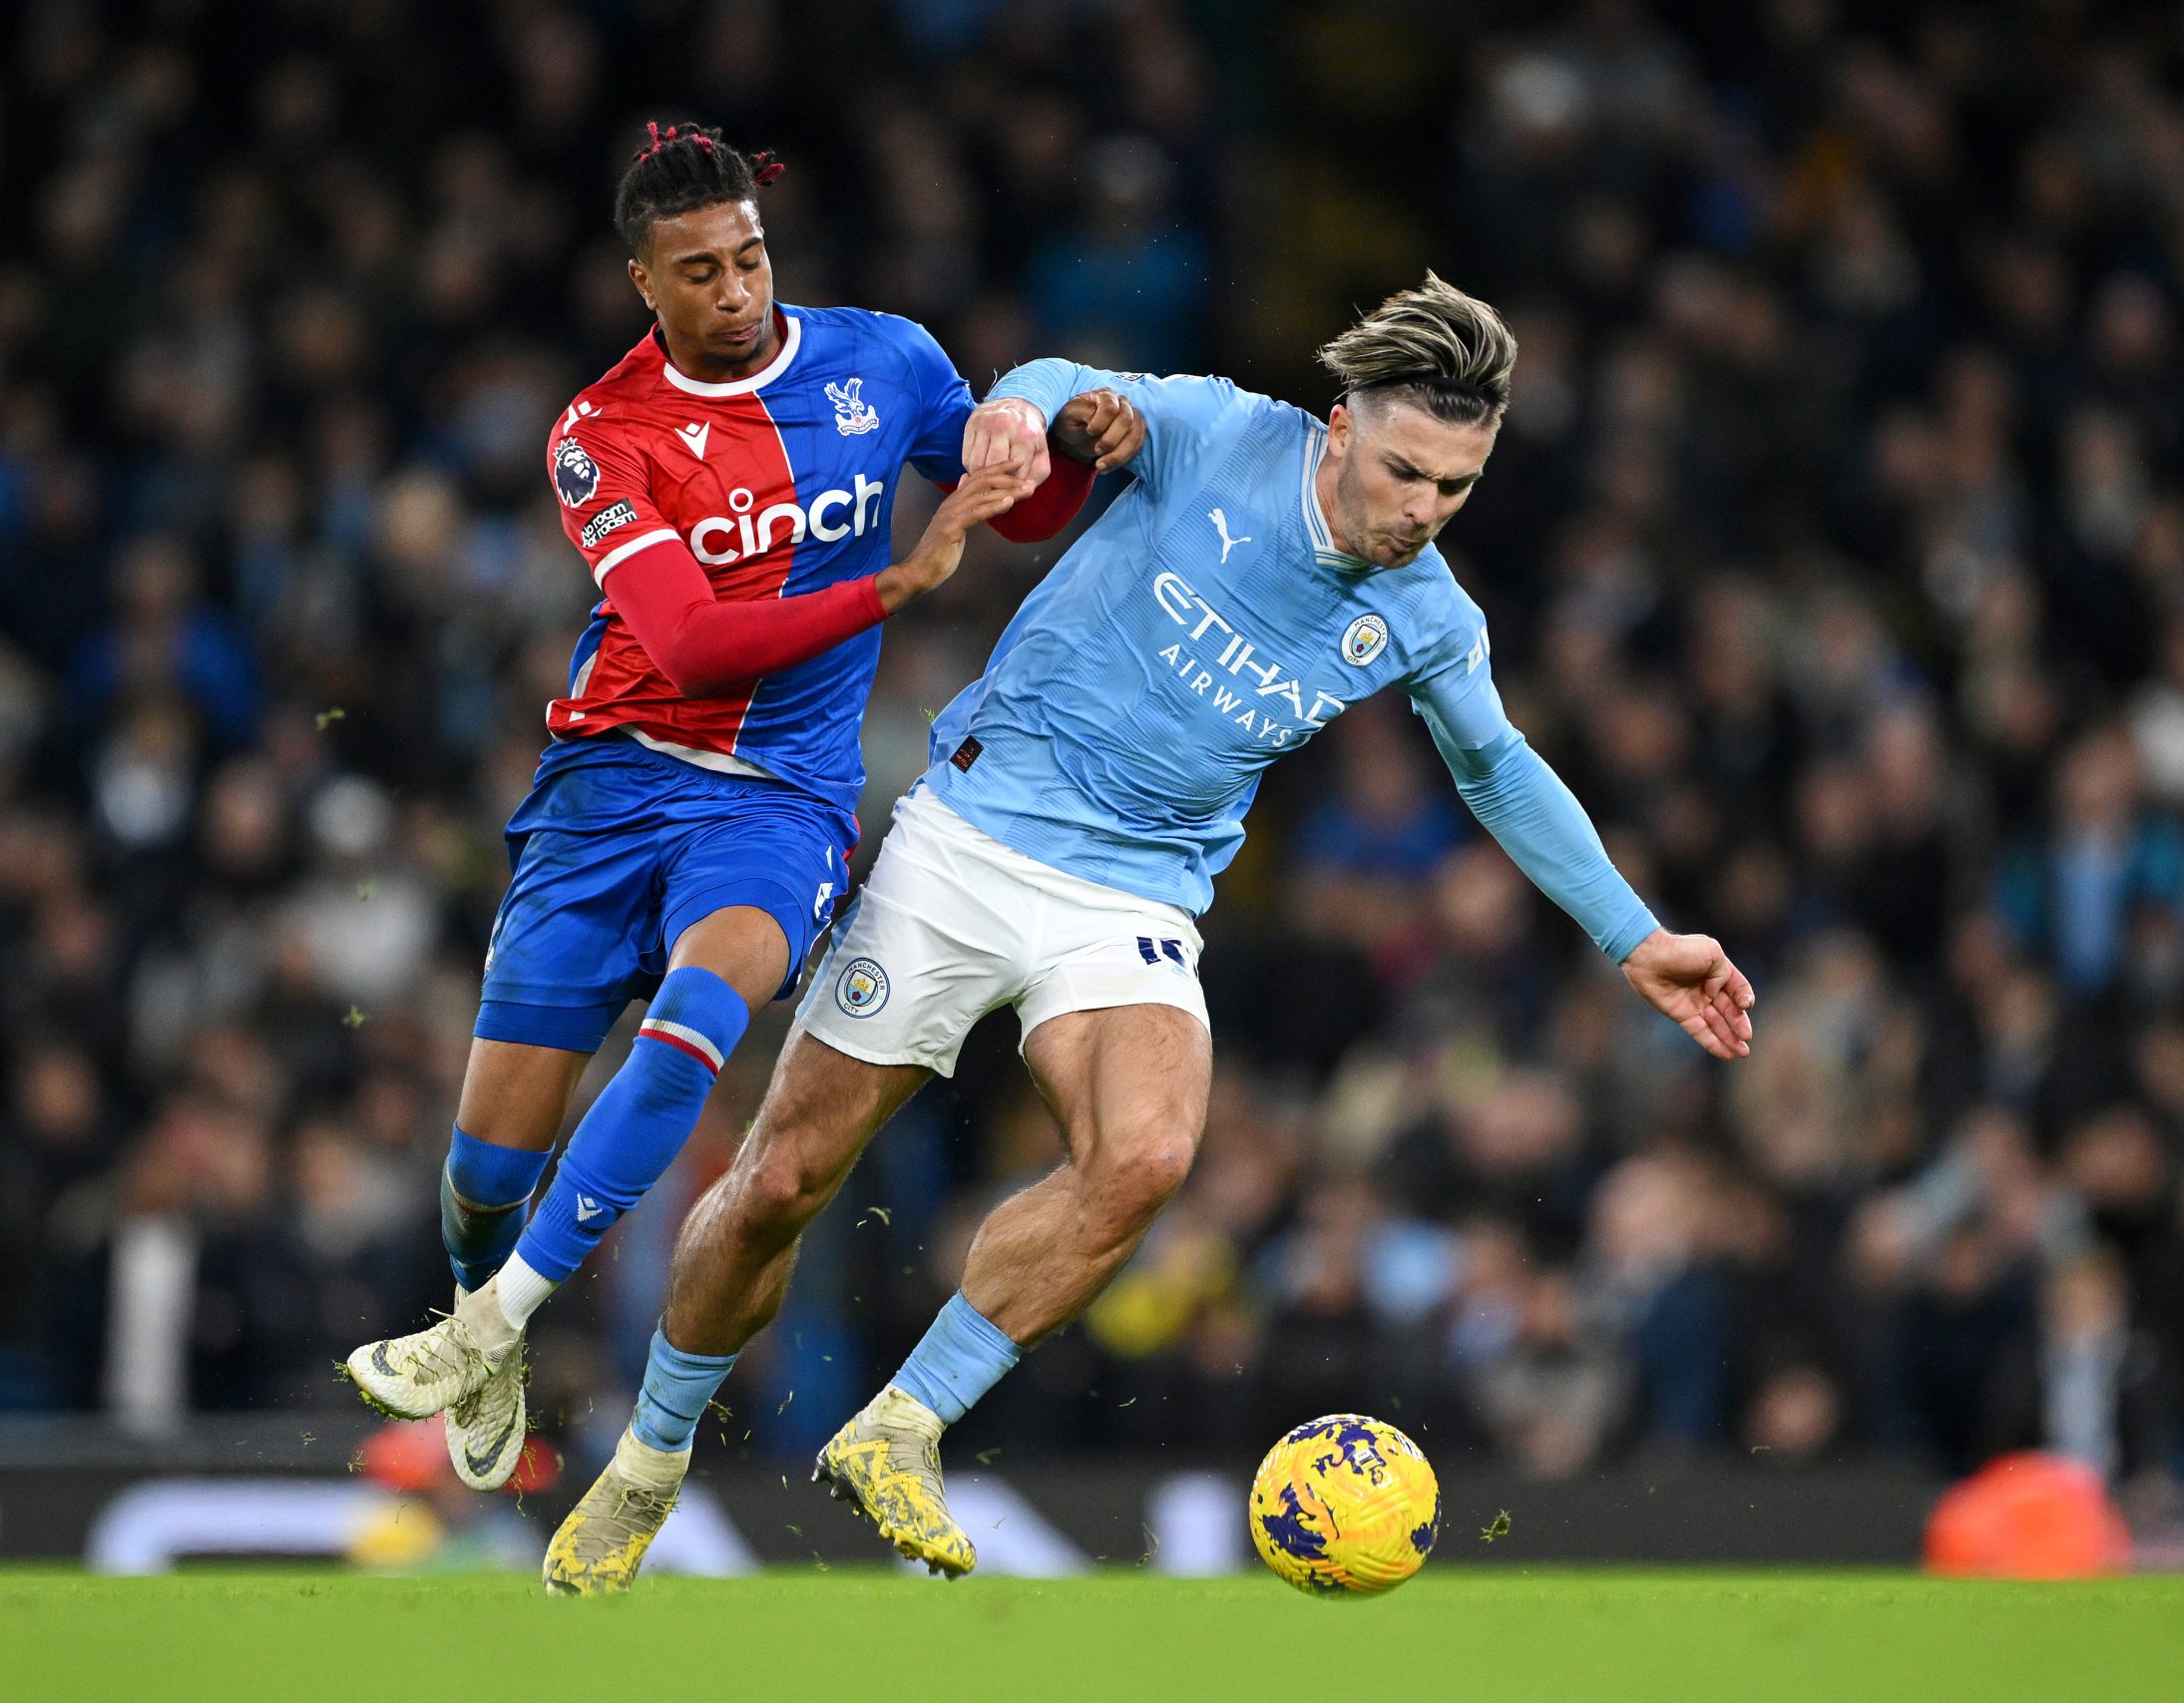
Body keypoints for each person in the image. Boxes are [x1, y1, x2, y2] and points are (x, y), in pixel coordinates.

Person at [600, 272, 1757, 1586]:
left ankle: (902, 1426)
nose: (1422, 510)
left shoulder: (1428, 614)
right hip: (978, 831)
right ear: (1339, 430)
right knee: (780, 1185)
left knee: (1147, 1152)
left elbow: (1496, 767)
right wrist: (1021, 425)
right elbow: (1057, 385)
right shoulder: (1220, 431)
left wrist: (1633, 936)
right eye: (1405, 472)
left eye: (1455, 488)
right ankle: (649, 1453)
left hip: (1137, 895)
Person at [335, 123, 1139, 1590]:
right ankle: (480, 1296)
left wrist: (1064, 456)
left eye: (751, 255)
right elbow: (691, 639)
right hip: (606, 789)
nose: (737, 290)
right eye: (698, 271)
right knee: (478, 1169)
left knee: (701, 1022)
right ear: (643, 280)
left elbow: (1002, 490)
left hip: (778, 803)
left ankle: (490, 1322)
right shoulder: (602, 435)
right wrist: (898, 579)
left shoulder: (882, 358)